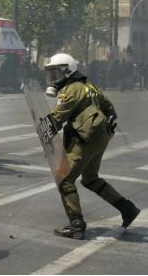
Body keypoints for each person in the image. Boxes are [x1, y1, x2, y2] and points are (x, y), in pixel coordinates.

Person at [44, 53, 140, 240]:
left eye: (56, 72)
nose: (53, 77)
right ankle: (127, 209)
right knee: (90, 179)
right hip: (98, 138)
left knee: (65, 179)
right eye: (51, 73)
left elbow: (57, 118)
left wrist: (44, 129)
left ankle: (76, 225)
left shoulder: (71, 89)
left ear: (68, 70)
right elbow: (110, 108)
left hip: (84, 140)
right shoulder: (90, 86)